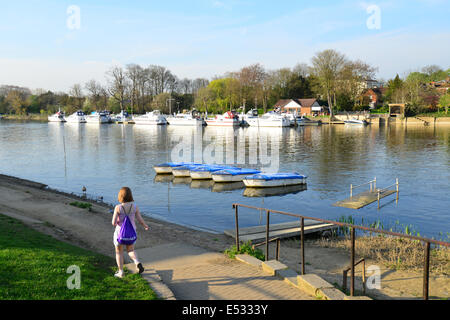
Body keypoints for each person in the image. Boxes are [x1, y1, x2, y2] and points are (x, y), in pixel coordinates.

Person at [112, 187, 149, 278]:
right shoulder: (135, 207)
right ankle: (137, 262)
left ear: (120, 196)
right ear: (130, 195)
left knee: (119, 252)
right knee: (131, 250)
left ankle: (121, 272)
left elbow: (113, 223)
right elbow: (140, 219)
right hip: (131, 233)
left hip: (120, 234)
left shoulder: (118, 207)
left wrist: (117, 221)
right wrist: (145, 226)